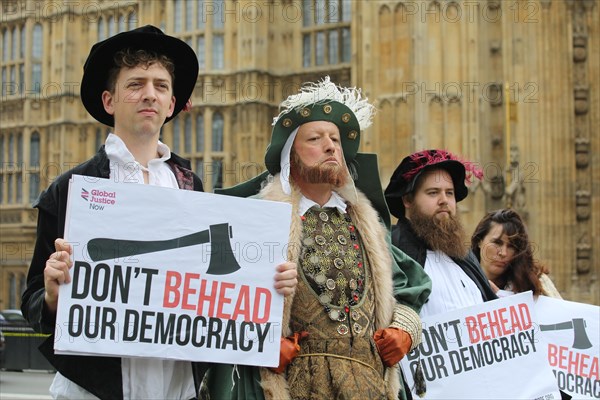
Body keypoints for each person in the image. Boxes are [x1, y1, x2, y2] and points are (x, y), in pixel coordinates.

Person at [21, 25, 297, 400]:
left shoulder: (191, 186)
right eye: (135, 84)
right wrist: (53, 295)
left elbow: (214, 288)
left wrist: (269, 283)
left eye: (161, 86)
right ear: (109, 101)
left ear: (171, 105)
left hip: (176, 389)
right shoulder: (71, 189)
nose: (149, 94)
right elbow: (33, 301)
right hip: (93, 390)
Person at [202, 77, 431, 400]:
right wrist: (258, 345)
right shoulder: (256, 217)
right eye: (315, 138)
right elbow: (212, 296)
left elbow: (410, 286)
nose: (330, 146)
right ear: (289, 155)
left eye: (335, 139)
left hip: (370, 386)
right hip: (297, 386)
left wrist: (405, 331)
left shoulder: (368, 226)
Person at [384, 149, 497, 320]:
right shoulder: (390, 249)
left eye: (449, 193)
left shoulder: (465, 256)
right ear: (407, 200)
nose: (444, 200)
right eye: (433, 192)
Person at [471, 208, 562, 299]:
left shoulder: (536, 282)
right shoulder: (461, 279)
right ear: (480, 241)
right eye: (497, 243)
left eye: (511, 246)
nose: (503, 253)